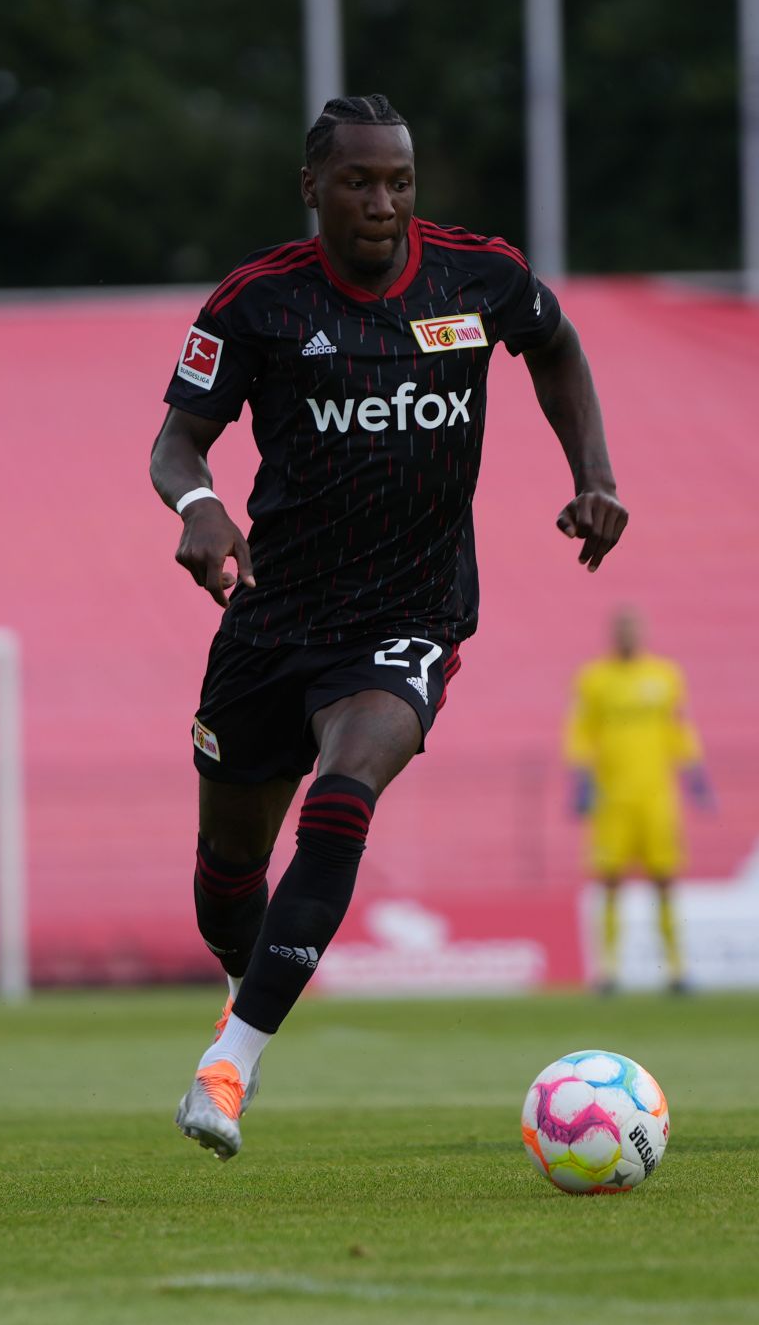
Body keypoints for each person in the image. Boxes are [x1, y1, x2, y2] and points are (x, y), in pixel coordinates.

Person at [151, 94, 630, 1160]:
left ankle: (229, 1062)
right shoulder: (257, 301)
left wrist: (592, 476)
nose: (384, 202)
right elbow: (176, 444)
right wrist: (200, 509)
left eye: (400, 181)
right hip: (272, 620)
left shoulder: (477, 275)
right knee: (228, 884)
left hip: (410, 614)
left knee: (344, 788)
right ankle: (253, 974)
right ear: (311, 188)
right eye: (360, 182)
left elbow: (554, 344)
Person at [566, 607, 712, 993]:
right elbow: (581, 731)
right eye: (622, 630)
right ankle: (608, 972)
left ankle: (677, 970)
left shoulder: (664, 676)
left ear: (642, 633)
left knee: (665, 880)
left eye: (633, 629)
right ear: (613, 634)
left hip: (656, 798)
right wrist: (580, 780)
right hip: (613, 799)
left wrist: (694, 773)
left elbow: (680, 727)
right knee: (609, 880)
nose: (628, 636)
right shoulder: (594, 679)